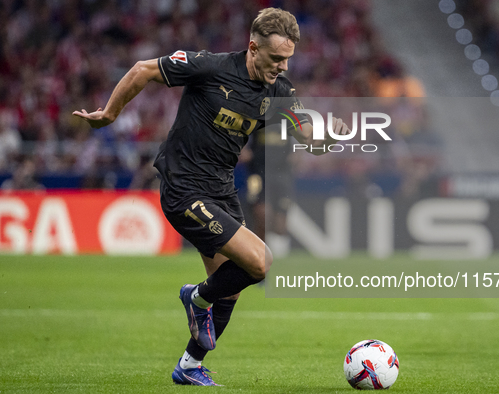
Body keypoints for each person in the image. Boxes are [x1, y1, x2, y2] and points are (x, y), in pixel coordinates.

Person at [73, 7, 349, 386]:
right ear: (252, 47)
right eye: (276, 59)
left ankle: (188, 365)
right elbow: (142, 70)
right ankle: (196, 298)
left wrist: (330, 139)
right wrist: (109, 114)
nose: (283, 67)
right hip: (184, 186)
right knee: (260, 262)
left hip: (221, 190)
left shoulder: (280, 92)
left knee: (230, 288)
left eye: (288, 59)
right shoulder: (210, 67)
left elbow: (309, 141)